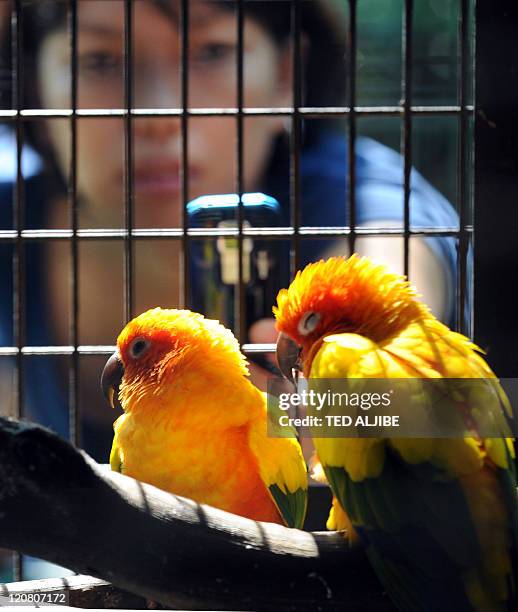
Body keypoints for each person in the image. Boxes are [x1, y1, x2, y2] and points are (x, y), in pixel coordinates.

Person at [0, 0, 459, 464]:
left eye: (213, 52)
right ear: (36, 88)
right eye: (99, 61)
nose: (158, 114)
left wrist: (334, 403)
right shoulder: (9, 216)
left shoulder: (361, 196)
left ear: (285, 73)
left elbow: (395, 288)